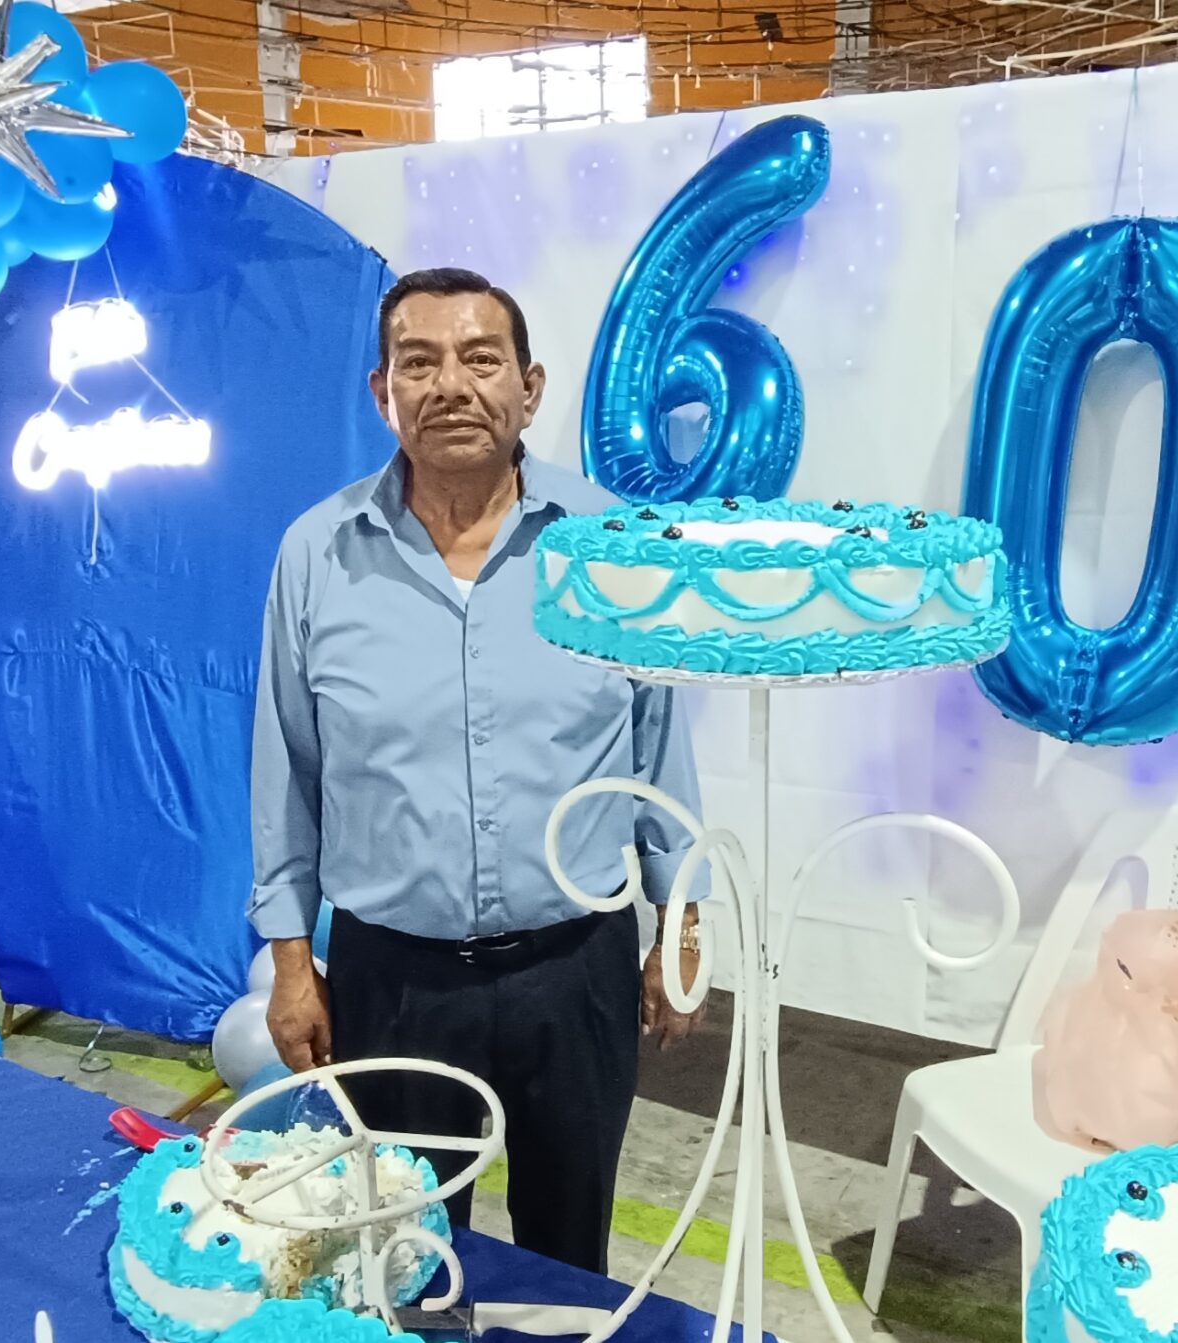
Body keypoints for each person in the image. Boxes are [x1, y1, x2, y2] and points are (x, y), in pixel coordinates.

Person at [249, 267, 704, 1274]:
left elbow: (659, 747)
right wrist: (290, 961)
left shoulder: (610, 545)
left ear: (529, 389)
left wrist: (682, 930)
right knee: (405, 1254)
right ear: (383, 392)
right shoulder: (318, 554)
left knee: (568, 1254)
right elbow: (287, 767)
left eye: (480, 358)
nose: (450, 384)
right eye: (419, 362)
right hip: (393, 980)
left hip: (575, 970)